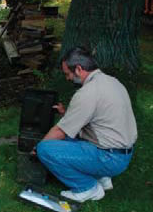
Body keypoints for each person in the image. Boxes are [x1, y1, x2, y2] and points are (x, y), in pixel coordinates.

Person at [35, 47, 137, 202]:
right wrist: (66, 113)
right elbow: (97, 118)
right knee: (69, 138)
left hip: (109, 157)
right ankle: (102, 176)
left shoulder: (87, 93)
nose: (68, 78)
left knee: (46, 149)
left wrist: (37, 150)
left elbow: (60, 131)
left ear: (78, 69)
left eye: (67, 74)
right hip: (122, 152)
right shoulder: (112, 81)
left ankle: (87, 187)